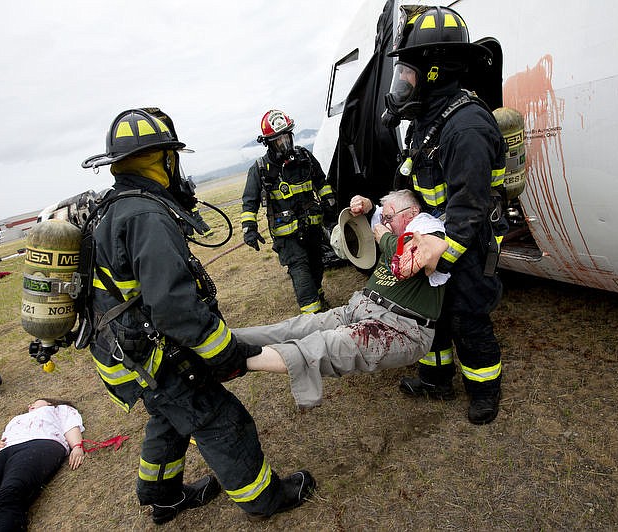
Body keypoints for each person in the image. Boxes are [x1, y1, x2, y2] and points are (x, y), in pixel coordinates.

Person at [80, 108, 315, 524]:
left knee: (169, 417)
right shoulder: (146, 216)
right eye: (173, 157)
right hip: (151, 357)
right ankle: (264, 499)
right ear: (162, 159)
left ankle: (163, 496)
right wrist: (224, 352)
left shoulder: (117, 206)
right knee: (221, 419)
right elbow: (174, 307)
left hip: (123, 354)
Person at [383, 6, 508, 425]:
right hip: (436, 236)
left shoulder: (466, 127)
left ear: (435, 71)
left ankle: (484, 392)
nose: (402, 82)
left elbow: (470, 209)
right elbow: (421, 186)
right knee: (432, 315)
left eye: (408, 73)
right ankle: (436, 380)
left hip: (465, 244)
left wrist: (440, 257)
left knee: (466, 320)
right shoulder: (427, 121)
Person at [235, 190, 448, 409]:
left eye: (389, 218)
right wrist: (367, 205)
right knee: (296, 327)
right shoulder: (398, 225)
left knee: (326, 346)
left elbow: (418, 254)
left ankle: (233, 361)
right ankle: (225, 339)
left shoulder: (430, 229)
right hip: (361, 308)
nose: (384, 223)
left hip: (399, 326)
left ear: (413, 212)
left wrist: (384, 236)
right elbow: (375, 216)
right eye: (383, 218)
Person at [241, 109, 337, 314]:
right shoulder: (260, 169)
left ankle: (318, 297)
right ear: (269, 142)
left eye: (286, 136)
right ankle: (313, 316)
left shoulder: (305, 158)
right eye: (278, 139)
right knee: (300, 270)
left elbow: (321, 182)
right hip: (287, 236)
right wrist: (249, 228)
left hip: (312, 226)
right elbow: (249, 201)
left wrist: (329, 201)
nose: (284, 143)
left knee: (316, 265)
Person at [0, 398, 85, 530]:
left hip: (40, 443)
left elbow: (71, 426)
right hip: (6, 449)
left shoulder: (59, 409)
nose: (30, 405)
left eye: (36, 402)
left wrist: (77, 446)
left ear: (50, 403)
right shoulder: (17, 419)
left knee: (11, 491)